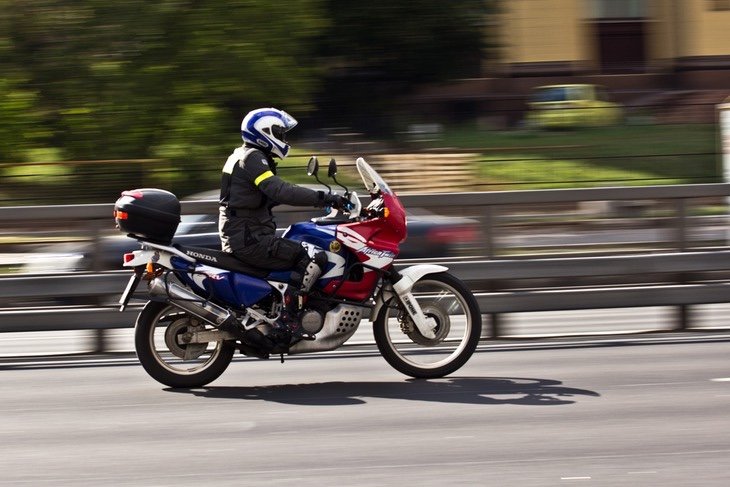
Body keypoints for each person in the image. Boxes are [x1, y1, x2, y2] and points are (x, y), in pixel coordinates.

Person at [218, 107, 348, 351]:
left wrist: (317, 200)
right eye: (280, 133)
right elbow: (279, 190)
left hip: (244, 233)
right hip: (249, 238)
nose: (284, 139)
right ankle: (289, 323)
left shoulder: (245, 155)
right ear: (264, 133)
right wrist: (326, 198)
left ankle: (279, 312)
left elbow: (268, 195)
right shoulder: (253, 158)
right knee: (312, 257)